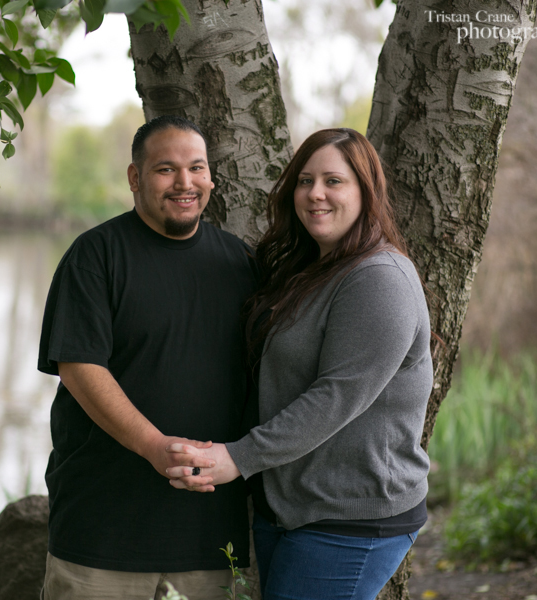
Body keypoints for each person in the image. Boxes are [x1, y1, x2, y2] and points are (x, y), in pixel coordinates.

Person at [167, 128, 433, 600]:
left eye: (334, 181)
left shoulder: (379, 279)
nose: (315, 194)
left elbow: (336, 397)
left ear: (365, 191)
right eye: (305, 180)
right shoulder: (310, 270)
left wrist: (239, 457)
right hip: (293, 509)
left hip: (351, 519)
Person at [36, 115, 258, 600]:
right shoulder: (95, 256)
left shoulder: (241, 263)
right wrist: (155, 446)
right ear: (135, 178)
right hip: (102, 533)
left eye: (196, 168)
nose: (185, 183)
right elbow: (79, 367)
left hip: (211, 535)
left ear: (211, 178)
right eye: (166, 169)